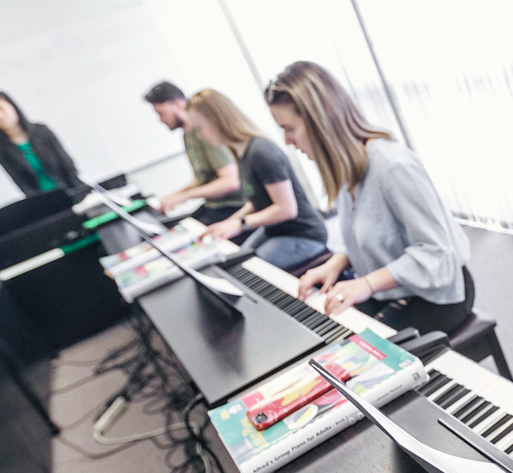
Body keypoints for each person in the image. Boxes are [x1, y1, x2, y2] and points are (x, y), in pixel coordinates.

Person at [274, 62, 474, 333]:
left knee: (364, 356)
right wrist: (336, 263)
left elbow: (437, 254)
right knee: (326, 330)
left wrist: (365, 285)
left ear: (319, 122)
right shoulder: (347, 167)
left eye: (289, 129)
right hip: (391, 290)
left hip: (437, 295)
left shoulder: (392, 165)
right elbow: (365, 230)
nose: (287, 141)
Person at [187, 88, 330, 271]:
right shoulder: (241, 152)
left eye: (200, 128)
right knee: (232, 260)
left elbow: (287, 209)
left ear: (216, 120)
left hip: (303, 234)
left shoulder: (261, 153)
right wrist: (230, 222)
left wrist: (241, 224)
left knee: (244, 271)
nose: (200, 136)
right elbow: (257, 201)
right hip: (276, 230)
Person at [143, 81, 245, 220]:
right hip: (214, 205)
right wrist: (173, 196)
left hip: (233, 205)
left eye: (162, 113)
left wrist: (185, 196)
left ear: (178, 105)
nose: (160, 120)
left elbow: (230, 181)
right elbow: (200, 178)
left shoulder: (205, 132)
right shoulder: (187, 135)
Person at [0, 91, 84, 197]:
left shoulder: (42, 131)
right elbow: (20, 182)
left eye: (0, 108)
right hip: (42, 201)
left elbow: (66, 163)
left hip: (72, 190)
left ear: (13, 107)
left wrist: (77, 192)